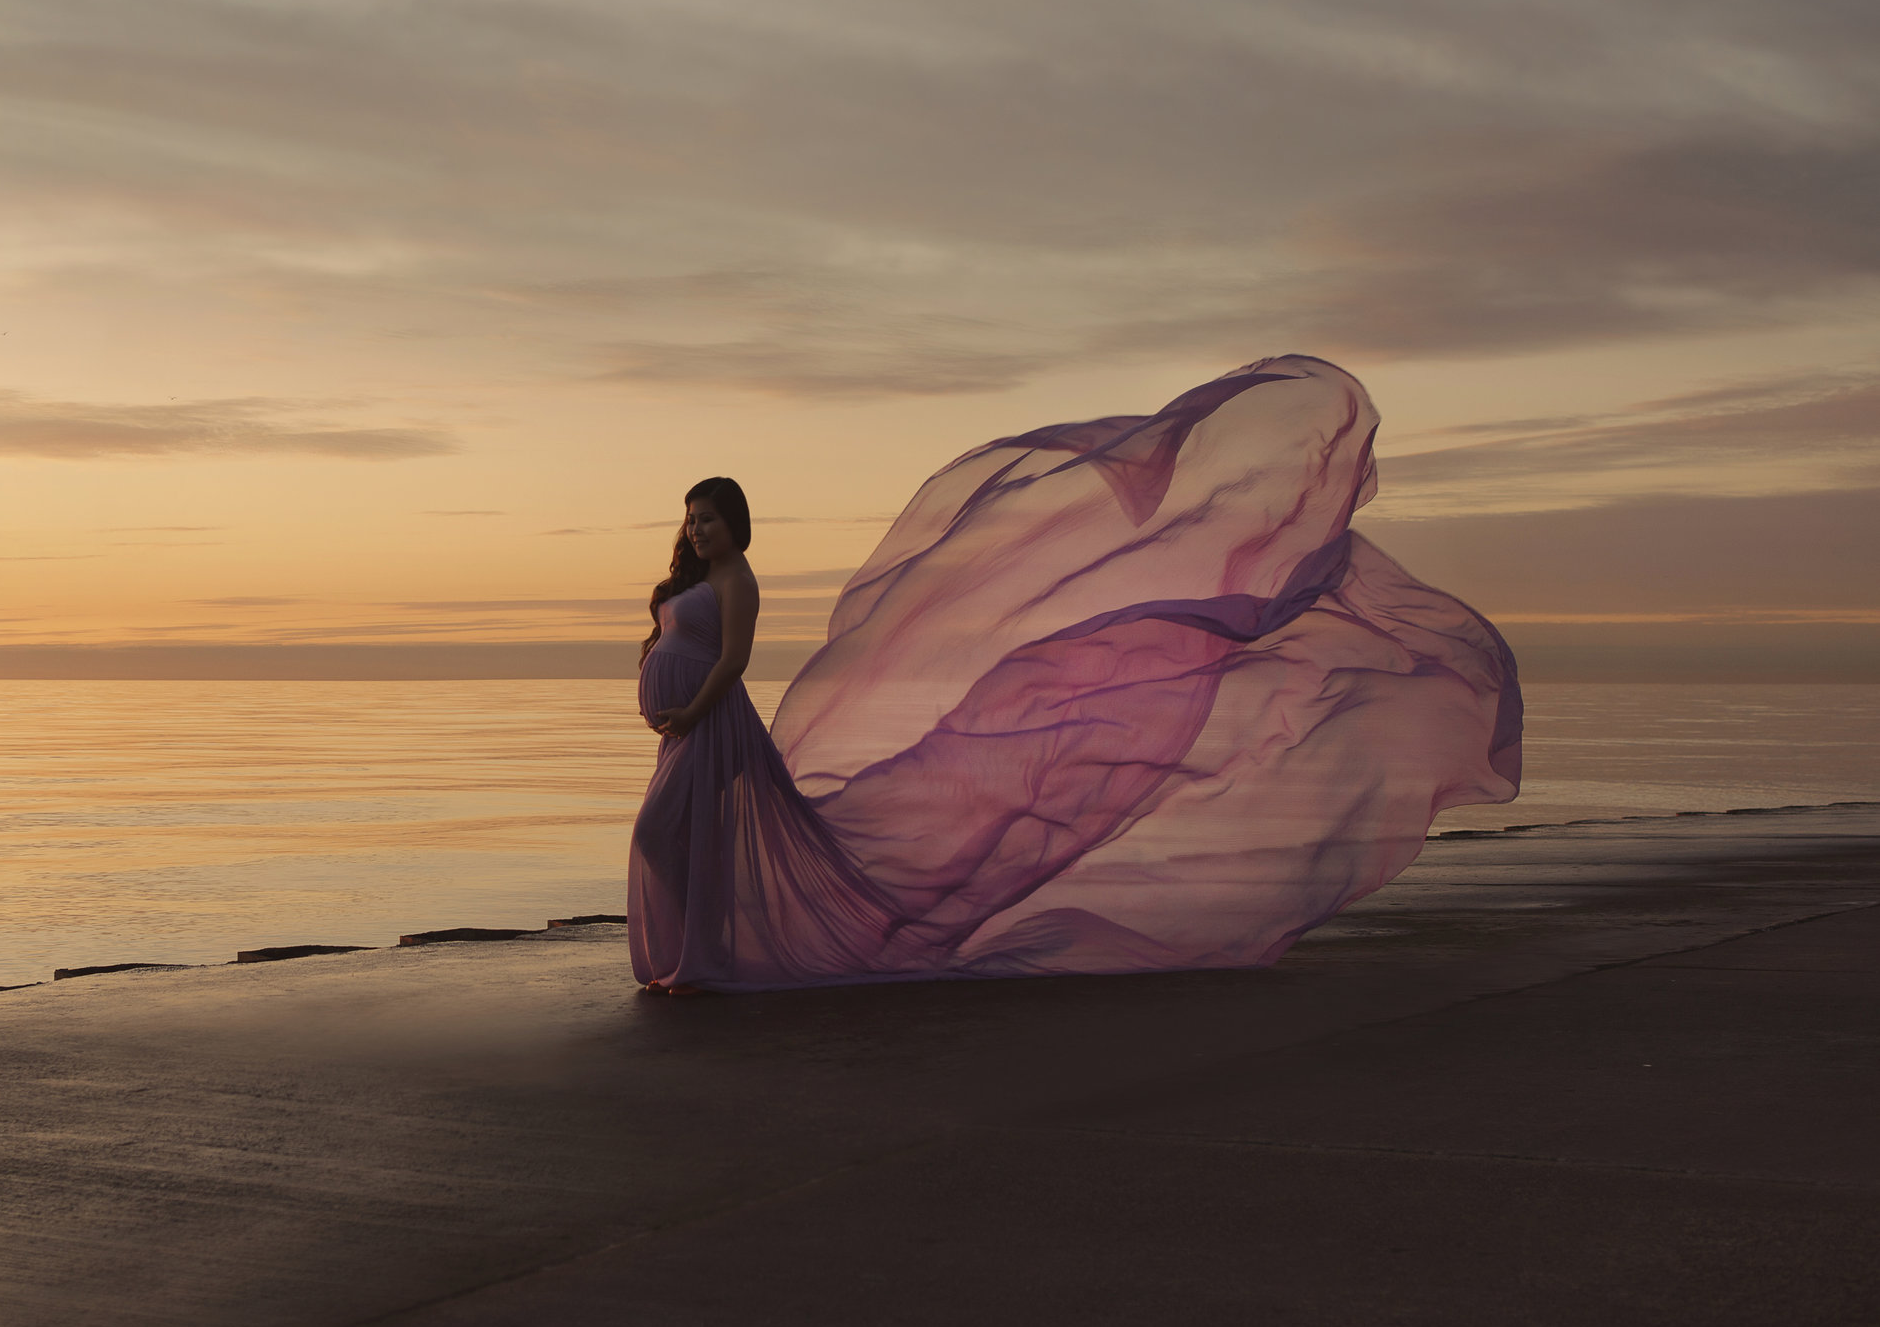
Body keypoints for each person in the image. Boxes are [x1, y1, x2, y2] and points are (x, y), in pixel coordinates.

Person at [628, 354, 1522, 994]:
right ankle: (697, 955)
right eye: (692, 517)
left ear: (735, 524)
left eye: (710, 517)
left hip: (711, 727)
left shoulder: (738, 579)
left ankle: (701, 955)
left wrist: (689, 711)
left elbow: (735, 660)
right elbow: (679, 637)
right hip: (688, 732)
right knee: (685, 842)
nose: (699, 527)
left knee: (665, 840)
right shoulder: (693, 578)